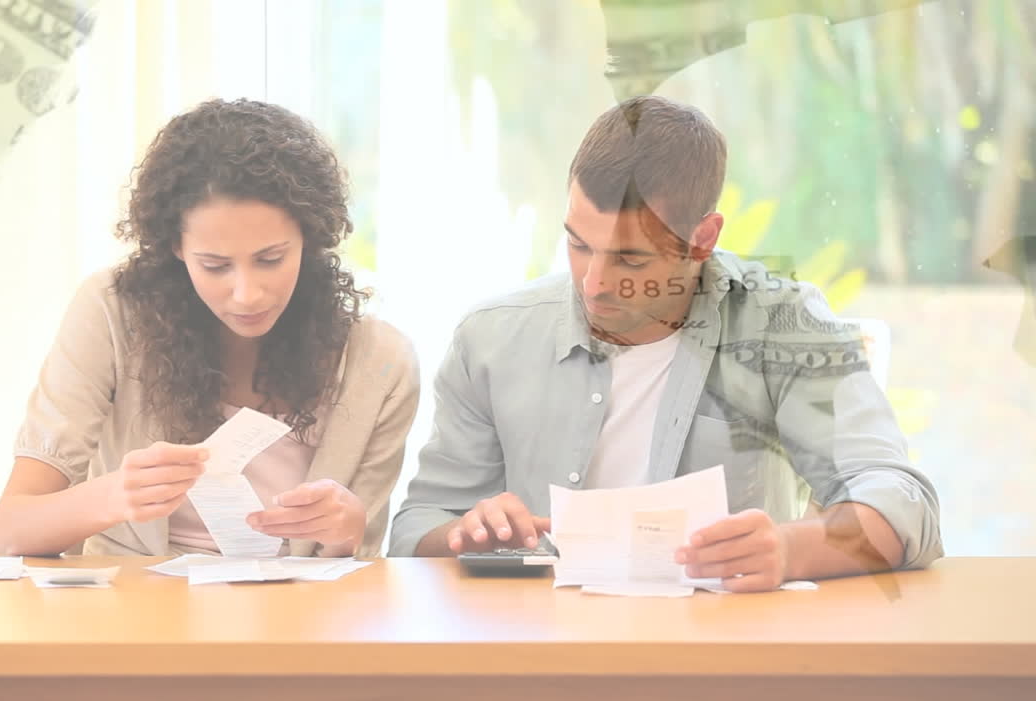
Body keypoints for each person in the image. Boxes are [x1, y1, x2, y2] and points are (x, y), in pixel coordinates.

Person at [389, 95, 942, 591]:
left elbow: (903, 504)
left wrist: (790, 549)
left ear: (702, 239)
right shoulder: (490, 338)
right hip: (540, 648)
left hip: (721, 649)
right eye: (579, 244)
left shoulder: (783, 325)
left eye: (630, 259)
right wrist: (470, 536)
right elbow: (418, 526)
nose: (594, 284)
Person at [0, 99, 418, 558]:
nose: (247, 294)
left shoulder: (379, 364)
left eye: (271, 259)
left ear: (309, 237)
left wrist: (348, 529)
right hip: (137, 598)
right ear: (175, 246)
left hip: (297, 603)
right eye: (214, 266)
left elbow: (359, 566)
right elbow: (11, 532)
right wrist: (114, 495)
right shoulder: (112, 313)